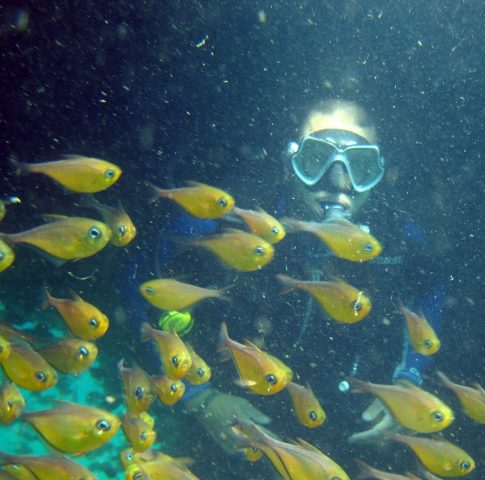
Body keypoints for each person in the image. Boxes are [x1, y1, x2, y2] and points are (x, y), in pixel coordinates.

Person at [128, 100, 445, 450]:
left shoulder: (397, 235)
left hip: (343, 430)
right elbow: (140, 284)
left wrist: (408, 382)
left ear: (379, 173)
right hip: (228, 424)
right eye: (316, 159)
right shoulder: (229, 216)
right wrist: (199, 399)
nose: (339, 183)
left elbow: (429, 291)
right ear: (289, 160)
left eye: (360, 166)